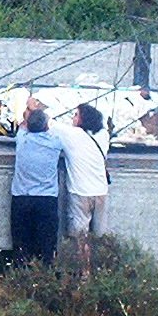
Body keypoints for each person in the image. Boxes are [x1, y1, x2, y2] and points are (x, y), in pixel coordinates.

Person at [54, 104, 110, 273]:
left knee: (80, 237)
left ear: (83, 120)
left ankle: (84, 274)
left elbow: (48, 123)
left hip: (80, 193)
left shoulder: (71, 135)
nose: (73, 118)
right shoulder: (103, 135)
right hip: (101, 191)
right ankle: (102, 269)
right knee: (99, 235)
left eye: (76, 115)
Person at [9, 108, 62, 265]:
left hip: (22, 197)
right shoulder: (55, 143)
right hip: (47, 199)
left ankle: (20, 274)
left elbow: (22, 125)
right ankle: (45, 273)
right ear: (46, 126)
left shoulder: (22, 140)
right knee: (47, 242)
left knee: (20, 241)